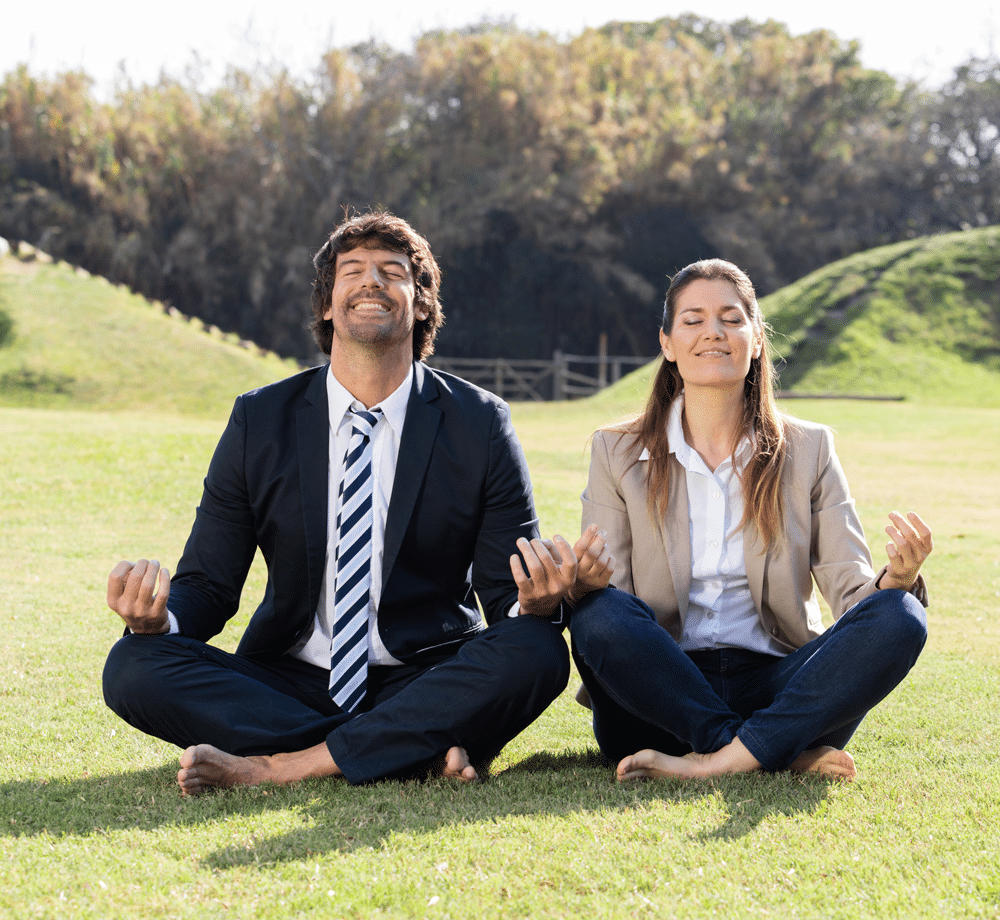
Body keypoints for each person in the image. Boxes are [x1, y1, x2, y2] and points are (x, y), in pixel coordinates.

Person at [103, 210, 605, 793]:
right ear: (326, 303)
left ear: (420, 304)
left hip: (425, 673)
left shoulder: (479, 423)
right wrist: (159, 618)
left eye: (393, 271)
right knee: (133, 664)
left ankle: (281, 766)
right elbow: (209, 586)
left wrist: (535, 601)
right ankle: (403, 747)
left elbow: (503, 595)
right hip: (288, 678)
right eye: (353, 270)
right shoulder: (259, 420)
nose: (372, 281)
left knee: (537, 649)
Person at [568, 258, 931, 782]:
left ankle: (718, 763)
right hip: (662, 692)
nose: (713, 332)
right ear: (667, 343)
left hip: (780, 685)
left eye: (731, 318)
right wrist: (590, 583)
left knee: (900, 614)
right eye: (692, 320)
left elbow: (851, 592)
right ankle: (770, 753)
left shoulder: (810, 448)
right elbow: (616, 608)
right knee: (597, 614)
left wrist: (897, 580)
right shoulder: (616, 450)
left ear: (756, 339)